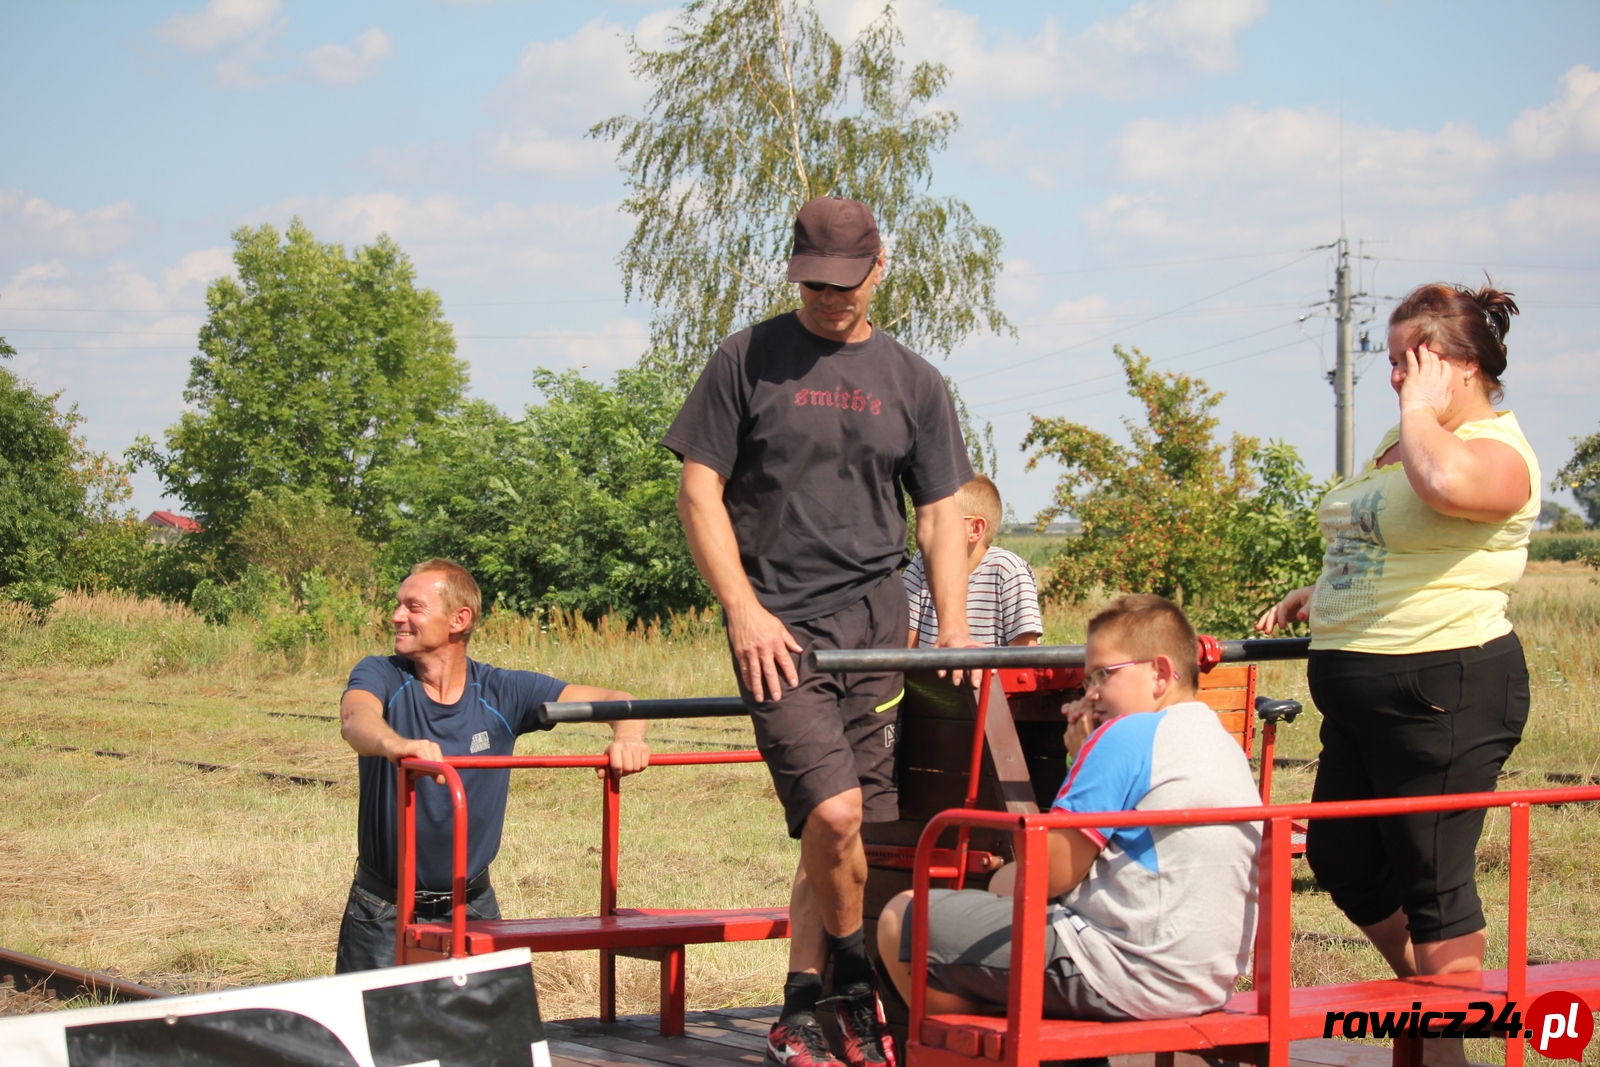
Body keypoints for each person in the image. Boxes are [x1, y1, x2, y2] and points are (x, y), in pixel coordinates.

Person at [664, 196, 979, 1067]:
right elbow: (699, 492)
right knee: (834, 810)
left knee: (847, 831)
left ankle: (803, 1006)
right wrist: (743, 608)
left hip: (877, 631)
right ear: (794, 270)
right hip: (778, 629)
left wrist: (951, 627)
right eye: (815, 283)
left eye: (846, 282)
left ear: (879, 269)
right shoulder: (747, 358)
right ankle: (851, 986)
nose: (831, 298)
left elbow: (943, 512)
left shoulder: (914, 379)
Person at [1257, 282, 1538, 1067]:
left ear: (1467, 364)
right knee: (1343, 858)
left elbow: (1444, 488)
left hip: (1445, 688)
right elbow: (1391, 531)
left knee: (1433, 884)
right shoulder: (1406, 432)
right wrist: (1330, 591)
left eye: (1414, 360)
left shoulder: (1498, 453)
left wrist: (1419, 411)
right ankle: (1440, 1022)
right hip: (1363, 693)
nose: (1396, 378)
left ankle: (1439, 1046)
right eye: (1393, 361)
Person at [876, 595, 1260, 1036]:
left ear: (1159, 671)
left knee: (901, 918)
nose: (1091, 692)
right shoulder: (1217, 738)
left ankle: (994, 1054)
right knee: (1005, 883)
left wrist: (1079, 758)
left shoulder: (1126, 735)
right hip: (1204, 979)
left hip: (1126, 971)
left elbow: (1047, 871)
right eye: (1087, 678)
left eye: (1104, 674)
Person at [335, 558, 650, 973]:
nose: (396, 617)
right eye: (398, 605)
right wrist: (395, 745)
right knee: (374, 1036)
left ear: (458, 619)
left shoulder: (504, 692)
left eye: (413, 607)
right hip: (382, 911)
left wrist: (629, 738)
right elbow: (356, 719)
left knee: (488, 1036)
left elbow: (619, 702)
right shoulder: (383, 674)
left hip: (473, 906)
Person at [904, 474, 1043, 649]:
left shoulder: (1008, 571)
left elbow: (1025, 657)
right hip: (929, 676)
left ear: (975, 529)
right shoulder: (921, 563)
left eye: (943, 520)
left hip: (991, 677)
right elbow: (906, 645)